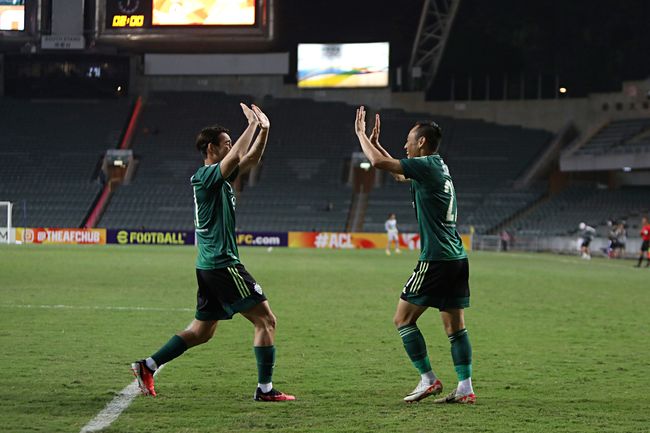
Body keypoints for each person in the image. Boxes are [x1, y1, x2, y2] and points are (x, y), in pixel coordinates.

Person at [131, 103, 295, 402]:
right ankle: (265, 390)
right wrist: (251, 126)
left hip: (210, 265)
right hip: (222, 264)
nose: (232, 147)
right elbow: (236, 157)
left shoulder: (221, 178)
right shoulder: (205, 177)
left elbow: (251, 158)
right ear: (211, 147)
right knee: (266, 320)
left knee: (201, 332)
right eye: (226, 143)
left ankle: (147, 366)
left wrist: (265, 129)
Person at [354, 106, 475, 404]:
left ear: (421, 142)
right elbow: (396, 170)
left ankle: (428, 379)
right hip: (457, 258)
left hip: (436, 259)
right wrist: (376, 143)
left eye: (409, 140)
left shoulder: (427, 166)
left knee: (402, 319)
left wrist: (360, 135)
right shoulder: (437, 167)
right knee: (454, 326)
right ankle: (465, 387)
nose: (405, 145)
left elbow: (378, 162)